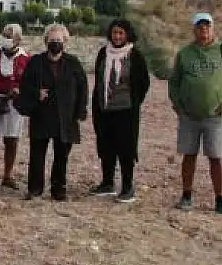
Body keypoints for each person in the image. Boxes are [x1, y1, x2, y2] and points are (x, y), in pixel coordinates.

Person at [168, 12, 222, 215]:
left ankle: (219, 199)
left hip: (214, 116)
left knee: (215, 158)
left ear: (213, 28)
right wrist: (177, 104)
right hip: (189, 116)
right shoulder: (185, 53)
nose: (204, 30)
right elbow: (174, 81)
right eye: (200, 27)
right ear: (194, 29)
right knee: (189, 155)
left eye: (207, 26)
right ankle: (186, 195)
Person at [17, 23, 88, 202]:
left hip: (66, 116)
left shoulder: (73, 63)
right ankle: (35, 188)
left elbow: (82, 88)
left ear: (65, 42)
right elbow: (24, 86)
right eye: (52, 40)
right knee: (37, 154)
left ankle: (59, 189)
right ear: (46, 41)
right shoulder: (35, 62)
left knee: (62, 155)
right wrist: (36, 93)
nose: (55, 43)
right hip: (41, 114)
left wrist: (81, 110)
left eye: (59, 40)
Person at [91, 18, 151, 203]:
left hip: (126, 111)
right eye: (115, 32)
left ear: (127, 35)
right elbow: (99, 78)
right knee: (106, 145)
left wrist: (133, 102)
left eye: (121, 33)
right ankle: (107, 182)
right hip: (104, 109)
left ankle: (127, 186)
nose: (117, 36)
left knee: (125, 148)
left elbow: (143, 83)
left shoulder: (135, 56)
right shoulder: (103, 53)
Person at [0, 23, 30, 188]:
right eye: (4, 34)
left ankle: (8, 175)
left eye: (10, 36)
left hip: (14, 103)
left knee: (12, 139)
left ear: (18, 39)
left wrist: (19, 89)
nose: (6, 38)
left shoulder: (26, 58)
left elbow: (29, 81)